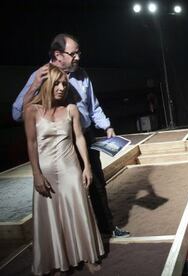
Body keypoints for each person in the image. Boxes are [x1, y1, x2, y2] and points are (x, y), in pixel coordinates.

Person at [12, 33, 129, 238]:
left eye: (78, 53)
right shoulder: (41, 75)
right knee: (66, 191)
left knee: (97, 184)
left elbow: (93, 106)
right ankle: (72, 238)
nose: (78, 57)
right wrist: (34, 87)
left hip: (84, 134)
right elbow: (16, 114)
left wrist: (107, 126)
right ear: (58, 54)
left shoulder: (82, 75)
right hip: (59, 143)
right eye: (73, 53)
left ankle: (107, 228)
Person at [24, 64, 104, 275]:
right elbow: (31, 144)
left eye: (64, 84)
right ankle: (57, 260)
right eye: (57, 83)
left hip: (70, 169)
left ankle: (88, 256)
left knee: (79, 212)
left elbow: (79, 138)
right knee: (50, 218)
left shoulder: (71, 109)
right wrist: (36, 174)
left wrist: (87, 167)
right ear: (47, 84)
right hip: (46, 171)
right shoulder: (32, 111)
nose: (61, 88)